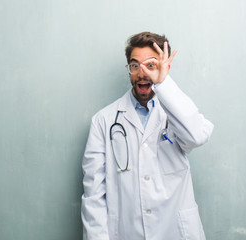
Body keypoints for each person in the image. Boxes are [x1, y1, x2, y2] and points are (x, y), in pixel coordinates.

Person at [81, 32, 214, 240]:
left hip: (176, 231)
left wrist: (164, 84)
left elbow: (196, 136)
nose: (142, 73)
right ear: (129, 70)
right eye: (135, 65)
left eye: (150, 65)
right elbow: (93, 195)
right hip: (127, 232)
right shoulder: (103, 121)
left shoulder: (176, 112)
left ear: (163, 68)